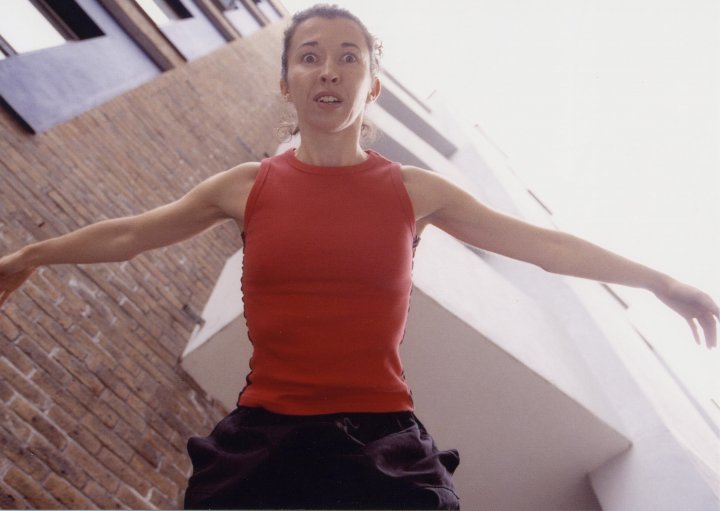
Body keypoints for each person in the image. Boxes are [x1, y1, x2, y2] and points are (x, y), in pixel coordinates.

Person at [1, 3, 718, 510]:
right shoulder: (245, 187)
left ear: (370, 84)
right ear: (287, 82)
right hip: (262, 439)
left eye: (349, 58)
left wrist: (659, 281)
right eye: (310, 57)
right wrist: (31, 253)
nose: (329, 71)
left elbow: (544, 246)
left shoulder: (415, 191)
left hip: (381, 443)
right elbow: (131, 234)